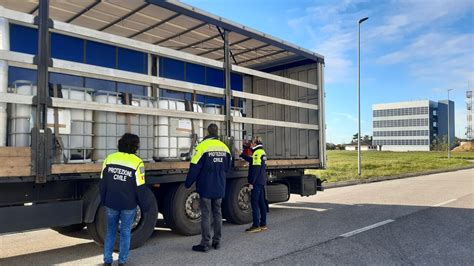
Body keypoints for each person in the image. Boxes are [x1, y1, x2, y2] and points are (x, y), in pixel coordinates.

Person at [99, 133, 150, 266]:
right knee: (125, 232)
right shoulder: (137, 162)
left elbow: (103, 183)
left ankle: (107, 260)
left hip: (111, 202)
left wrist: (104, 200)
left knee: (110, 232)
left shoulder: (109, 159)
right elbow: (141, 188)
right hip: (128, 204)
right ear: (135, 146)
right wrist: (145, 207)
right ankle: (122, 261)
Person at [185, 123, 232, 252]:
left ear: (207, 132)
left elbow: (194, 166)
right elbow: (228, 167)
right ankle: (217, 242)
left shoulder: (202, 147)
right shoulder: (225, 147)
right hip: (219, 186)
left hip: (206, 187)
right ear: (217, 133)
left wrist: (188, 183)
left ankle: (205, 243)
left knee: (206, 215)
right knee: (217, 213)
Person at [239, 136, 268, 233]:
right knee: (261, 202)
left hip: (256, 182)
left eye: (251, 143)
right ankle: (263, 224)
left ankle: (256, 225)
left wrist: (251, 183)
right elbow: (252, 161)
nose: (250, 144)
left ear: (255, 143)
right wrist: (242, 155)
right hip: (261, 180)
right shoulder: (261, 152)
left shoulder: (256, 153)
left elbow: (255, 169)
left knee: (254, 203)